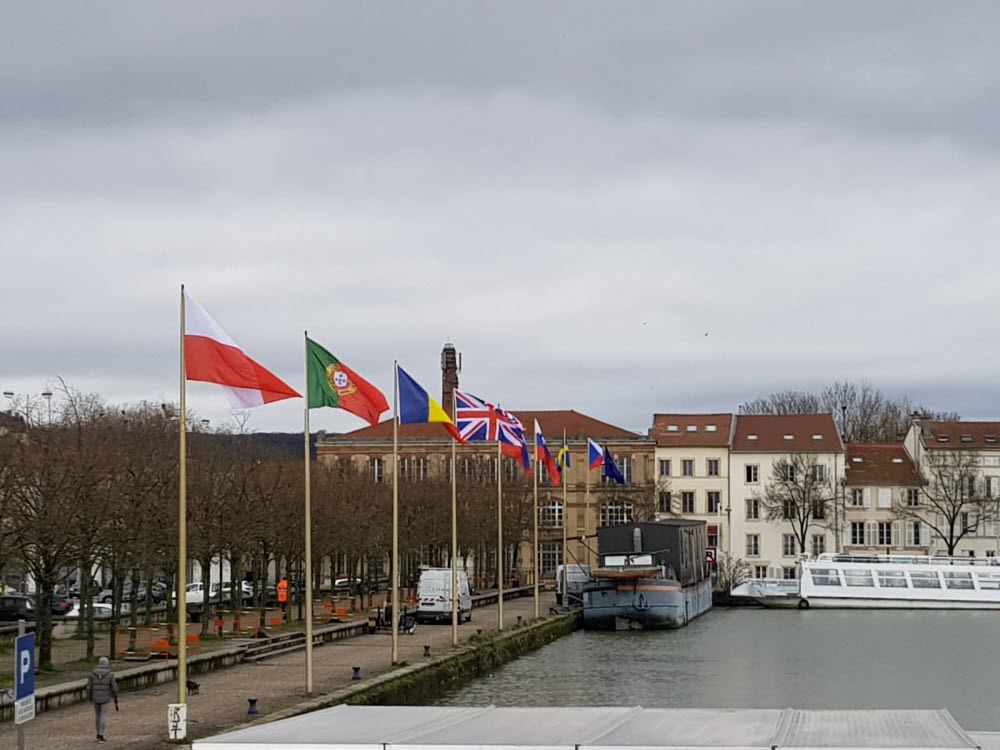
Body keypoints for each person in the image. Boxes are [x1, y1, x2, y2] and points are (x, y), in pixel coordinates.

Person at [86, 656, 119, 743]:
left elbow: (88, 687)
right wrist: (116, 695)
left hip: (95, 697)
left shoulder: (92, 673)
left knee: (97, 715)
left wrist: (89, 696)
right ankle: (101, 734)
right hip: (106, 697)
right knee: (103, 715)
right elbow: (114, 687)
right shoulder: (110, 674)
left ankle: (97, 733)